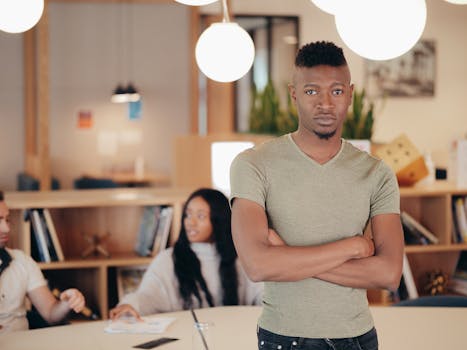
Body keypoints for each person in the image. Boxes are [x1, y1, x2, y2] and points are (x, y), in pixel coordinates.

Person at [230, 41, 404, 350]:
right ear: (294, 94)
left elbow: (389, 274)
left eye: (336, 92)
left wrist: (287, 257)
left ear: (349, 94)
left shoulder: (376, 173)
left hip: (358, 339)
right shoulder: (253, 164)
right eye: (312, 92)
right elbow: (257, 265)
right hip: (284, 338)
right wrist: (353, 247)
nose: (325, 103)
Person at [109, 188, 262, 320]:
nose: (190, 222)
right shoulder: (168, 259)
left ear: (219, 221)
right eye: (188, 215)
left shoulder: (240, 259)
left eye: (200, 216)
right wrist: (130, 305)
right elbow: (148, 296)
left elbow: (263, 296)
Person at [0, 190, 85, 334]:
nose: (6, 228)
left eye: (7, 220)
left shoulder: (22, 262)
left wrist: (67, 303)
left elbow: (51, 314)